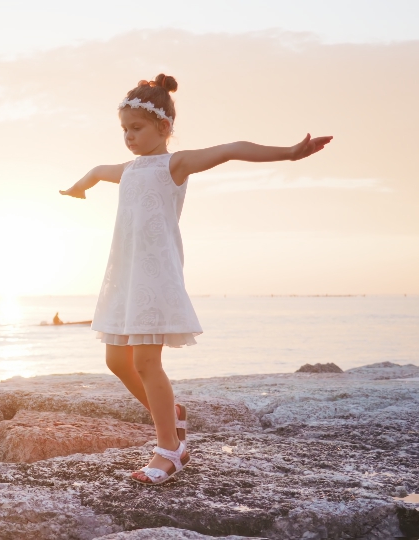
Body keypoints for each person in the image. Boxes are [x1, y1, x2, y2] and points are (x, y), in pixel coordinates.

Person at [60, 74, 331, 485]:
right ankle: (172, 414)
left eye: (137, 128)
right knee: (116, 360)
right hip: (124, 277)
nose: (129, 137)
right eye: (124, 130)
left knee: (148, 362)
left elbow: (230, 150)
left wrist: (289, 153)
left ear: (164, 128)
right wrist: (79, 186)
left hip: (155, 275)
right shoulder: (130, 169)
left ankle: (170, 448)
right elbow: (98, 170)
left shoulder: (175, 164)